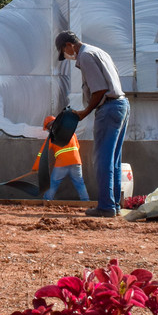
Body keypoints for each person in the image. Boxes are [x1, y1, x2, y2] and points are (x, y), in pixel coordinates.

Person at [54, 31, 129, 217]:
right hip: (122, 105)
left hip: (109, 108)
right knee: (114, 160)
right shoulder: (99, 52)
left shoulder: (85, 56)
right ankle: (114, 205)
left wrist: (84, 113)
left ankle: (106, 207)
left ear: (69, 45)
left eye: (65, 52)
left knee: (103, 159)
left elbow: (100, 89)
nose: (68, 57)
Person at [33, 115, 88, 202]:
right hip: (76, 162)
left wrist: (36, 167)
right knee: (80, 183)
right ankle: (86, 202)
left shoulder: (52, 136)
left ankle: (46, 200)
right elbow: (77, 146)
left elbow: (42, 153)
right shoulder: (71, 132)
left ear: (49, 127)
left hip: (61, 164)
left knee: (53, 183)